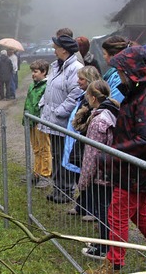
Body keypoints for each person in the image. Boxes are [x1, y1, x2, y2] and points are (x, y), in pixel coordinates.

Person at [87, 46, 146, 274]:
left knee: (116, 214)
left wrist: (113, 152)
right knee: (140, 214)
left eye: (122, 71)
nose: (120, 76)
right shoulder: (136, 93)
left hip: (134, 170)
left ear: (132, 70)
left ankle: (114, 265)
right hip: (129, 168)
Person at [39, 34, 84, 204]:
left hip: (62, 122)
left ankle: (66, 189)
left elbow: (75, 95)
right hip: (51, 119)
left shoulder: (75, 68)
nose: (53, 48)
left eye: (56, 46)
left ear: (64, 49)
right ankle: (57, 187)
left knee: (64, 157)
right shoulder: (56, 66)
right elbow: (49, 88)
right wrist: (43, 105)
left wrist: (59, 111)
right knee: (56, 155)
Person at [77, 80, 119, 260]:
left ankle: (104, 248)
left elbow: (91, 154)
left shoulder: (98, 122)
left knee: (103, 212)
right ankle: (103, 242)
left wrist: (84, 180)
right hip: (111, 171)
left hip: (100, 174)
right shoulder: (113, 113)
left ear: (93, 98)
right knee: (107, 210)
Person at [63, 66, 101, 218]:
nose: (78, 81)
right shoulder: (83, 97)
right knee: (80, 176)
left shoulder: (92, 101)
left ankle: (93, 209)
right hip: (77, 140)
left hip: (87, 143)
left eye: (81, 79)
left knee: (89, 176)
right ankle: (82, 205)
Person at [22, 59, 52, 188]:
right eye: (32, 72)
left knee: (44, 148)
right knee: (36, 148)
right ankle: (36, 172)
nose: (33, 74)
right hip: (31, 120)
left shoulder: (47, 86)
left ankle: (45, 174)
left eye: (35, 72)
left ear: (44, 72)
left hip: (41, 121)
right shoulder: (32, 85)